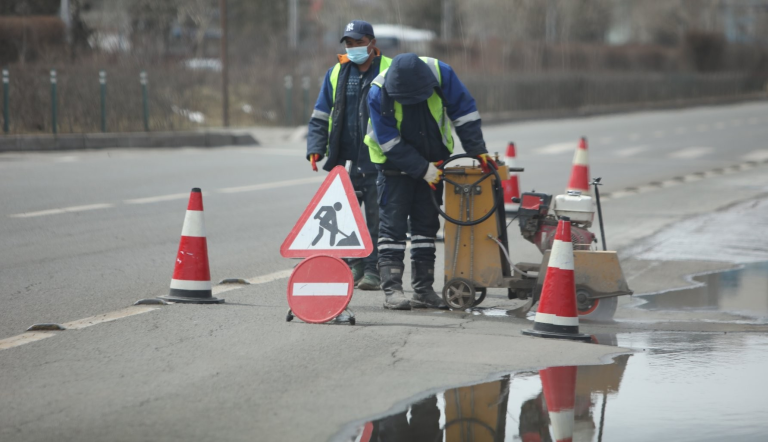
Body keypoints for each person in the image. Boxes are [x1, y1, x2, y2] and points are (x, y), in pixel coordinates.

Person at [365, 53, 496, 310]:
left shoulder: (441, 74)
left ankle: (423, 290)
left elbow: (464, 112)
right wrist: (422, 169)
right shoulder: (378, 91)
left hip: (434, 164)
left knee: (426, 228)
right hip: (394, 168)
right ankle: (392, 290)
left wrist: (476, 148)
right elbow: (388, 140)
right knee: (392, 229)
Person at [306, 20, 391, 291]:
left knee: (377, 221)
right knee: (345, 220)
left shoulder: (390, 69)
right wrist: (316, 146)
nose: (353, 48)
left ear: (372, 43)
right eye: (349, 44)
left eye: (358, 42)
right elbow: (321, 113)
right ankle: (353, 265)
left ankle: (373, 270)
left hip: (378, 161)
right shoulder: (337, 72)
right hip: (345, 161)